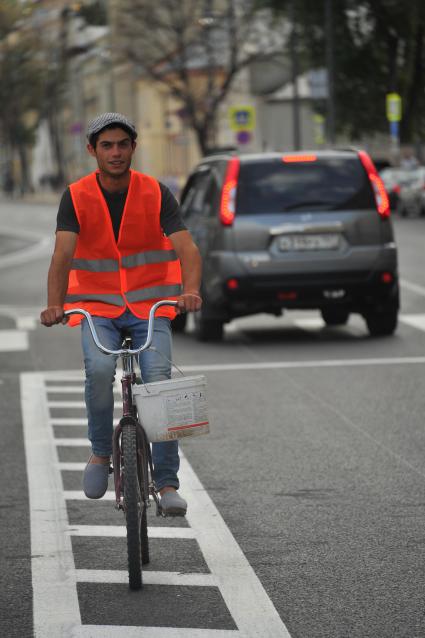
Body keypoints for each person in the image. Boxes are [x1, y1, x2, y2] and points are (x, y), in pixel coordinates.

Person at [40, 112, 202, 516]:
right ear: (92, 150)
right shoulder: (76, 195)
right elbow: (63, 254)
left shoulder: (156, 192)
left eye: (122, 144)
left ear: (133, 147)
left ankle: (166, 484)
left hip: (150, 307)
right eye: (106, 146)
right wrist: (55, 303)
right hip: (96, 307)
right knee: (97, 369)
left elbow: (188, 250)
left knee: (159, 382)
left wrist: (191, 292)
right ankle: (99, 453)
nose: (115, 152)